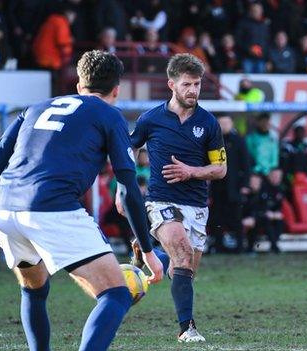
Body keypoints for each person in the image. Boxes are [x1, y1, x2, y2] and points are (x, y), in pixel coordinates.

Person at [0, 50, 163, 351]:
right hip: (51, 210)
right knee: (116, 294)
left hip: (7, 210)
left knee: (34, 290)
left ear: (79, 85)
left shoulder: (35, 108)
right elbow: (128, 185)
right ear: (116, 90)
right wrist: (147, 250)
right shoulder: (110, 115)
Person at [121, 53, 227, 343]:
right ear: (172, 84)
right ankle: (186, 329)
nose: (193, 90)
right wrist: (124, 186)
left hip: (197, 206)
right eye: (187, 84)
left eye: (197, 84)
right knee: (182, 255)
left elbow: (220, 169)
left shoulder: (208, 123)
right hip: (161, 200)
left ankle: (146, 251)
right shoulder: (151, 119)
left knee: (184, 270)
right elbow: (127, 150)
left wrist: (191, 171)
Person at [209, 115, 250, 253]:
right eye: (221, 123)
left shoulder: (239, 141)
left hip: (235, 187)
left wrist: (245, 185)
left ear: (232, 124)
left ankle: (240, 247)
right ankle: (218, 246)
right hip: (218, 187)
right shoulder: (213, 141)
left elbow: (246, 164)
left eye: (227, 122)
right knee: (217, 218)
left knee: (237, 218)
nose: (224, 125)